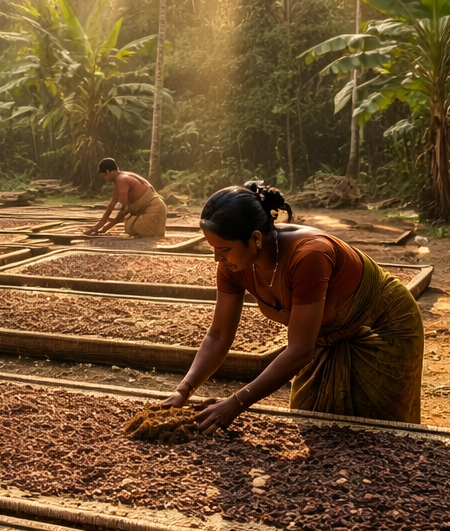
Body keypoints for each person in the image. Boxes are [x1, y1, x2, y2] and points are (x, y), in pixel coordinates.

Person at [162, 181, 424, 428]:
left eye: (224, 249)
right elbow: (219, 335)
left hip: (382, 326)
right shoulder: (233, 266)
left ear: (255, 239)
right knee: (311, 421)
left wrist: (236, 402)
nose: (217, 259)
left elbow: (300, 350)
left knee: (378, 430)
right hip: (327, 336)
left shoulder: (309, 256)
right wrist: (183, 390)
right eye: (213, 249)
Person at [84, 158, 170, 238]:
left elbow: (123, 210)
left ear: (108, 172)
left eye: (104, 176)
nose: (105, 179)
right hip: (154, 208)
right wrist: (97, 226)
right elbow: (111, 205)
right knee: (129, 223)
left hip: (154, 210)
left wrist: (106, 227)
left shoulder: (122, 180)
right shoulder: (120, 179)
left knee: (132, 228)